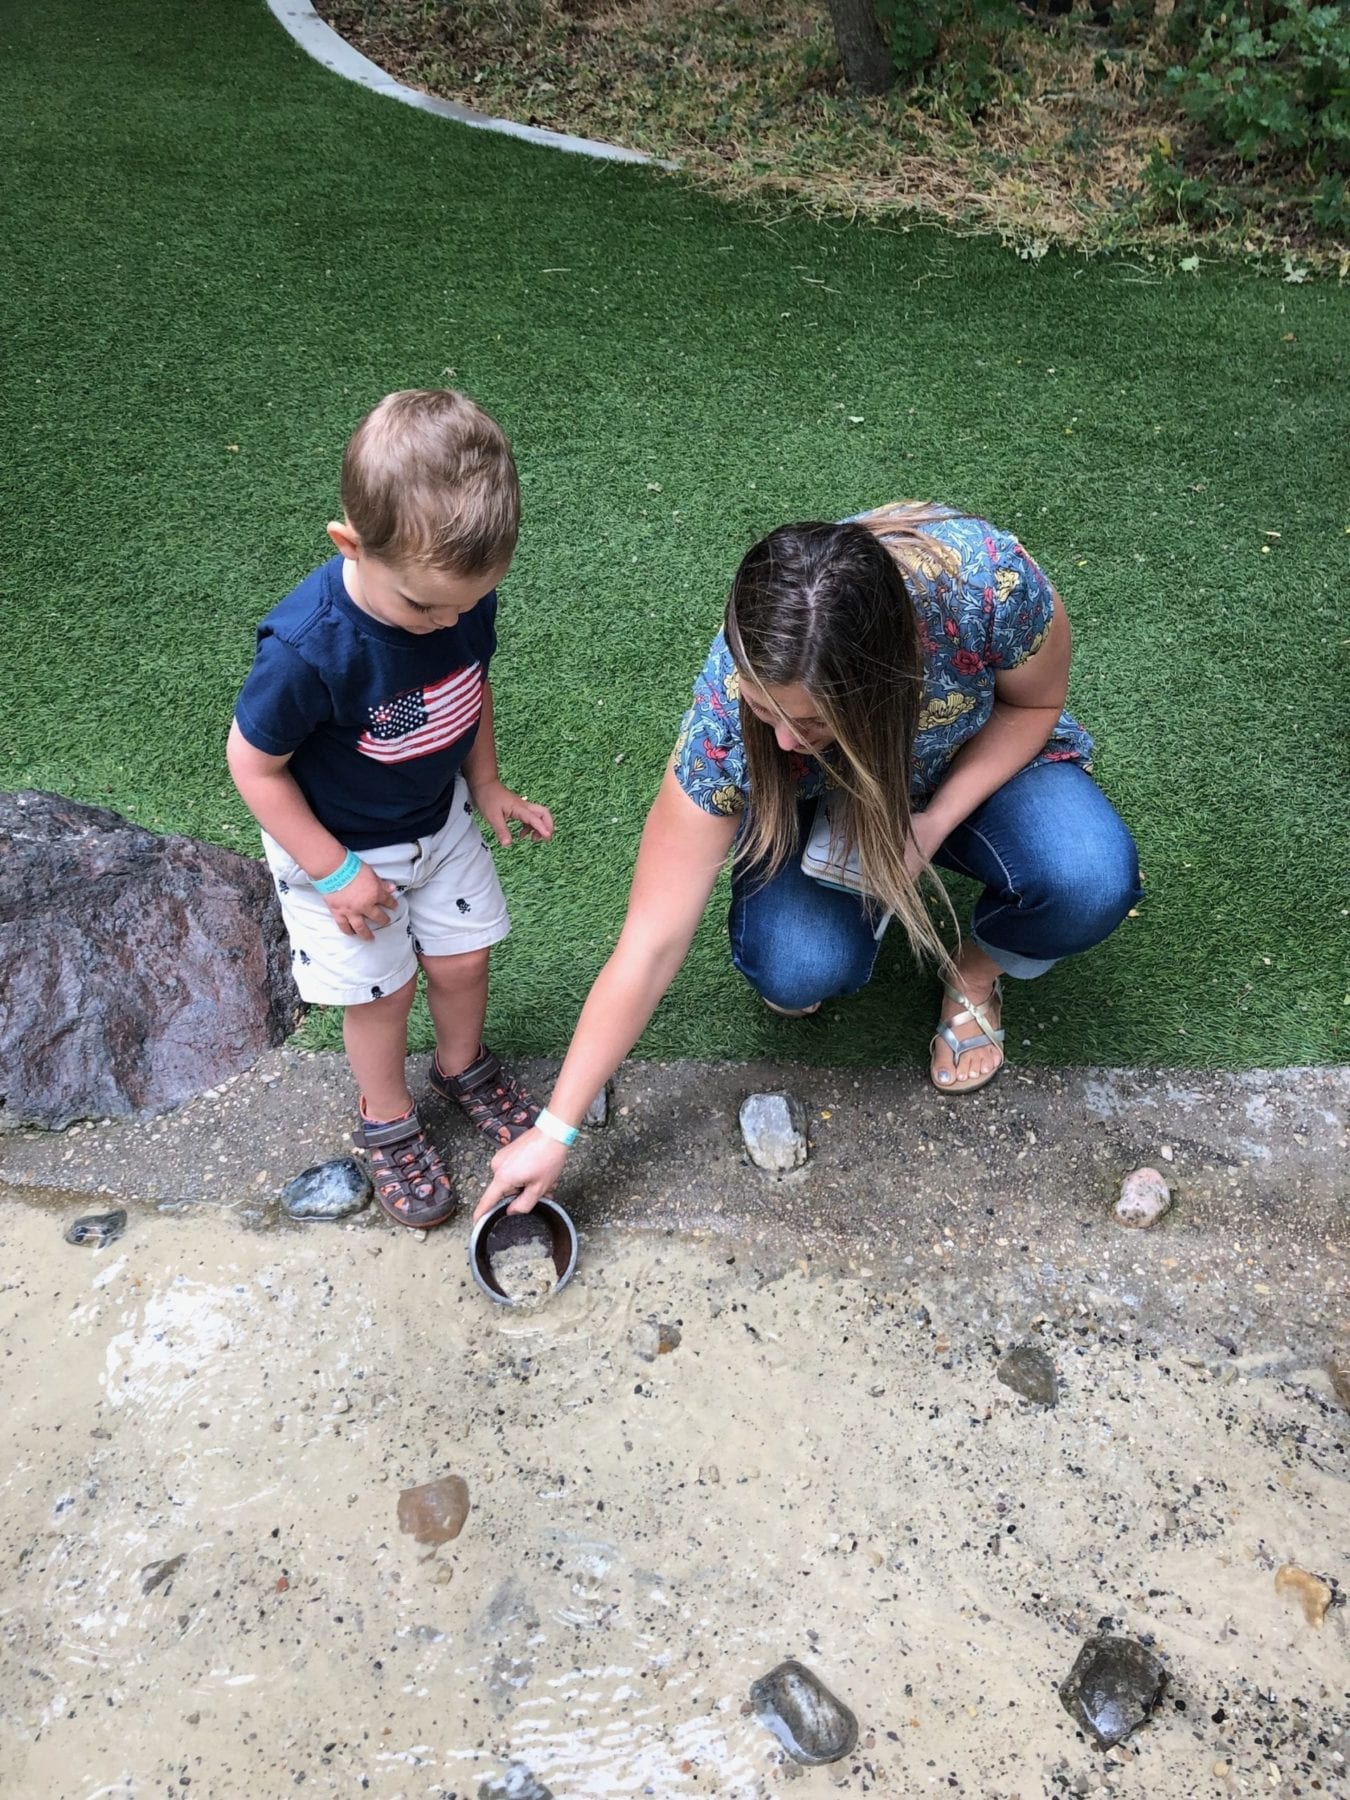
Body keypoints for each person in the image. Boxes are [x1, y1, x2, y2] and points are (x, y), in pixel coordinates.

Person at [475, 499, 1140, 1218]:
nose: (787, 743)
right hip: (828, 801)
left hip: (964, 758)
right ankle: (845, 874)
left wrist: (934, 820)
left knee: (1090, 879)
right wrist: (555, 1128)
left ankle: (975, 969)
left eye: (815, 719)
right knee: (795, 970)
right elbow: (651, 940)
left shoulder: (989, 580)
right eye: (769, 714)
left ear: (890, 673)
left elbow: (1034, 707)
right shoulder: (728, 715)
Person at [228, 389, 553, 1229]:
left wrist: (485, 785)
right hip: (336, 849)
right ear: (350, 544)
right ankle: (384, 1114)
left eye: (466, 604)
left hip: (437, 822)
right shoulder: (309, 648)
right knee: (380, 991)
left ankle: (461, 1066)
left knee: (463, 960)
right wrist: (333, 871)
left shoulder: (458, 593)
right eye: (425, 607)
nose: (448, 621)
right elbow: (253, 767)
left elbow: (467, 687)